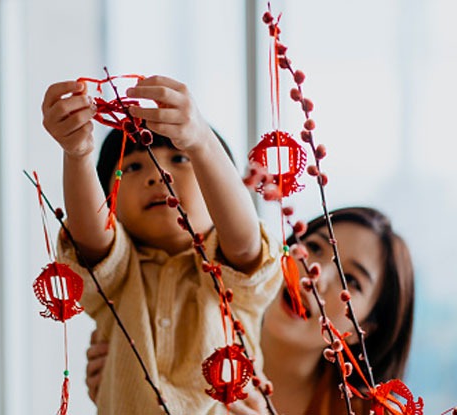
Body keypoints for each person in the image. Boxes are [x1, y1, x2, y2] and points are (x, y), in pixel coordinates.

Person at [41, 75, 282, 414]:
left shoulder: (230, 277)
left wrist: (200, 141)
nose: (156, 175)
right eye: (133, 166)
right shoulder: (117, 273)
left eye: (180, 159)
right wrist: (78, 153)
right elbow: (91, 236)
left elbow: (244, 245)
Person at [86, 207, 415, 415]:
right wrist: (122, 379)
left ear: (367, 327)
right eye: (313, 247)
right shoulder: (180, 330)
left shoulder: (360, 411)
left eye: (352, 280)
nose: (315, 275)